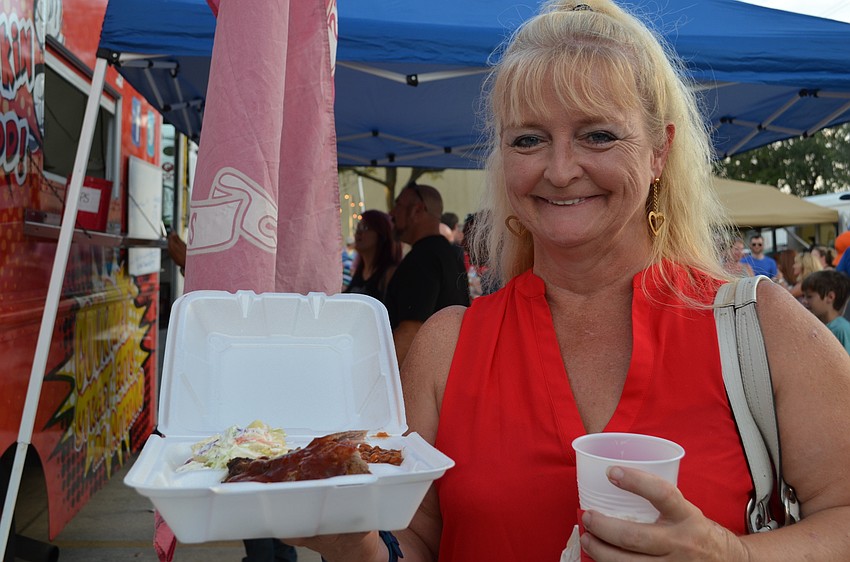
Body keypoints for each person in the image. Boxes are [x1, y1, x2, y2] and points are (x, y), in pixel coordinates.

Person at [291, 1, 850, 560]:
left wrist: (738, 556)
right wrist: (356, 543)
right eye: (528, 140)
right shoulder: (449, 346)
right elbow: (411, 540)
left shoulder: (759, 327)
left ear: (660, 151)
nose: (559, 170)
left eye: (598, 135)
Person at [383, 183, 470, 365]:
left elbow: (411, 330)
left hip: (423, 375)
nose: (391, 213)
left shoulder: (423, 258)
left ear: (417, 210)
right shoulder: (446, 253)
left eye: (398, 205)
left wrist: (378, 378)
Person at [344, 210, 401, 304]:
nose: (358, 232)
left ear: (381, 234)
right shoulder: (359, 271)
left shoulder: (390, 273)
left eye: (365, 227)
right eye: (358, 227)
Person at [801, 269, 850, 354]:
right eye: (803, 296)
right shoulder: (815, 326)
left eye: (809, 296)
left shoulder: (841, 329)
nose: (804, 301)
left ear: (830, 297)